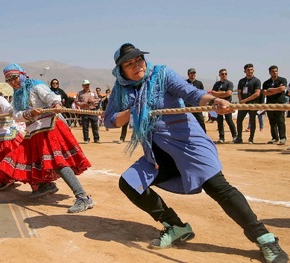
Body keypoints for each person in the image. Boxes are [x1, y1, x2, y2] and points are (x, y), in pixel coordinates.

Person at [103, 43, 288, 263]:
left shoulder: (161, 74)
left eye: (138, 60)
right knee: (130, 183)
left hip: (188, 144)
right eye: (129, 64)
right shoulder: (120, 89)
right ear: (120, 70)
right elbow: (109, 120)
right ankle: (176, 226)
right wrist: (132, 111)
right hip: (157, 152)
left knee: (218, 187)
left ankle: (264, 238)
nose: (136, 66)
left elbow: (191, 93)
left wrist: (214, 101)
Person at [0, 64, 94, 213]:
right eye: (8, 80)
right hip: (33, 131)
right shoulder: (16, 95)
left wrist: (55, 104)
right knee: (30, 160)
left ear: (21, 75)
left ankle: (83, 197)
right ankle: (45, 185)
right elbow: (16, 115)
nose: (12, 82)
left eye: (14, 77)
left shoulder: (36, 85)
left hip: (50, 127)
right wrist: (29, 113)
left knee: (58, 162)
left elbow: (50, 97)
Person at [234, 63, 261, 144]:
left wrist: (246, 100)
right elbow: (239, 92)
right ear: (245, 71)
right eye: (248, 70)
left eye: (251, 69)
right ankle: (239, 138)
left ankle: (251, 138)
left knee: (252, 121)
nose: (250, 71)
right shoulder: (241, 81)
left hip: (252, 103)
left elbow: (257, 93)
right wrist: (241, 100)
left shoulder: (257, 81)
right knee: (239, 120)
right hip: (243, 104)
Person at [262, 65, 287, 145]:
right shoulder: (266, 82)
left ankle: (283, 138)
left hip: (280, 103)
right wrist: (277, 90)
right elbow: (265, 93)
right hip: (270, 104)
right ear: (270, 73)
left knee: (280, 121)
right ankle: (275, 138)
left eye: (276, 71)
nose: (275, 73)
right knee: (272, 122)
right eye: (273, 71)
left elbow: (282, 89)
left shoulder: (282, 80)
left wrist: (271, 90)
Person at [210, 69, 237, 143]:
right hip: (218, 105)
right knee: (220, 121)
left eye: (225, 74)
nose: (224, 75)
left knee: (229, 121)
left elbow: (229, 93)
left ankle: (235, 136)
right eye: (222, 74)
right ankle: (221, 137)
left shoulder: (229, 83)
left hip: (227, 105)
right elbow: (213, 93)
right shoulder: (217, 84)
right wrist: (223, 92)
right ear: (219, 75)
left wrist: (218, 93)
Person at [186, 68, 207, 133]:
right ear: (188, 74)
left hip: (197, 106)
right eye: (191, 73)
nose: (193, 74)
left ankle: (204, 135)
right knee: (188, 122)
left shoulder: (199, 83)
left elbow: (202, 94)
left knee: (201, 121)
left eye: (194, 73)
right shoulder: (185, 83)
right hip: (188, 107)